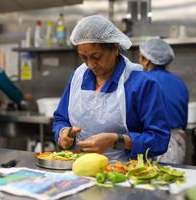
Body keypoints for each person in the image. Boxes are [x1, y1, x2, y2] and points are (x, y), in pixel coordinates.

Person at [52, 15, 171, 162]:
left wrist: (117, 141)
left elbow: (159, 140)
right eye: (84, 57)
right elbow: (60, 119)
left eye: (97, 56)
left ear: (115, 46)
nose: (90, 64)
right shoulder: (78, 77)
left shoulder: (142, 83)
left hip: (126, 173)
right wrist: (62, 132)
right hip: (79, 170)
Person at [139, 38, 189, 164]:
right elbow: (184, 120)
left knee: (153, 180)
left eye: (140, 57)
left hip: (157, 142)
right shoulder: (179, 82)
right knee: (172, 179)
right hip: (178, 141)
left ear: (147, 60)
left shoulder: (145, 80)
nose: (139, 61)